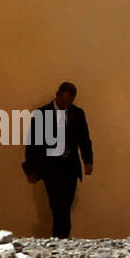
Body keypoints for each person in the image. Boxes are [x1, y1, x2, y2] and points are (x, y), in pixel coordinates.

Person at [22, 82, 93, 239]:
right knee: (59, 205)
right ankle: (61, 239)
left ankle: (60, 239)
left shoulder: (77, 113)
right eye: (64, 100)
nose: (66, 104)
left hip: (70, 167)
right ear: (57, 95)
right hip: (51, 168)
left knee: (65, 204)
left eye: (70, 101)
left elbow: (84, 139)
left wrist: (88, 161)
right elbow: (33, 142)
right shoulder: (42, 113)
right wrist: (31, 169)